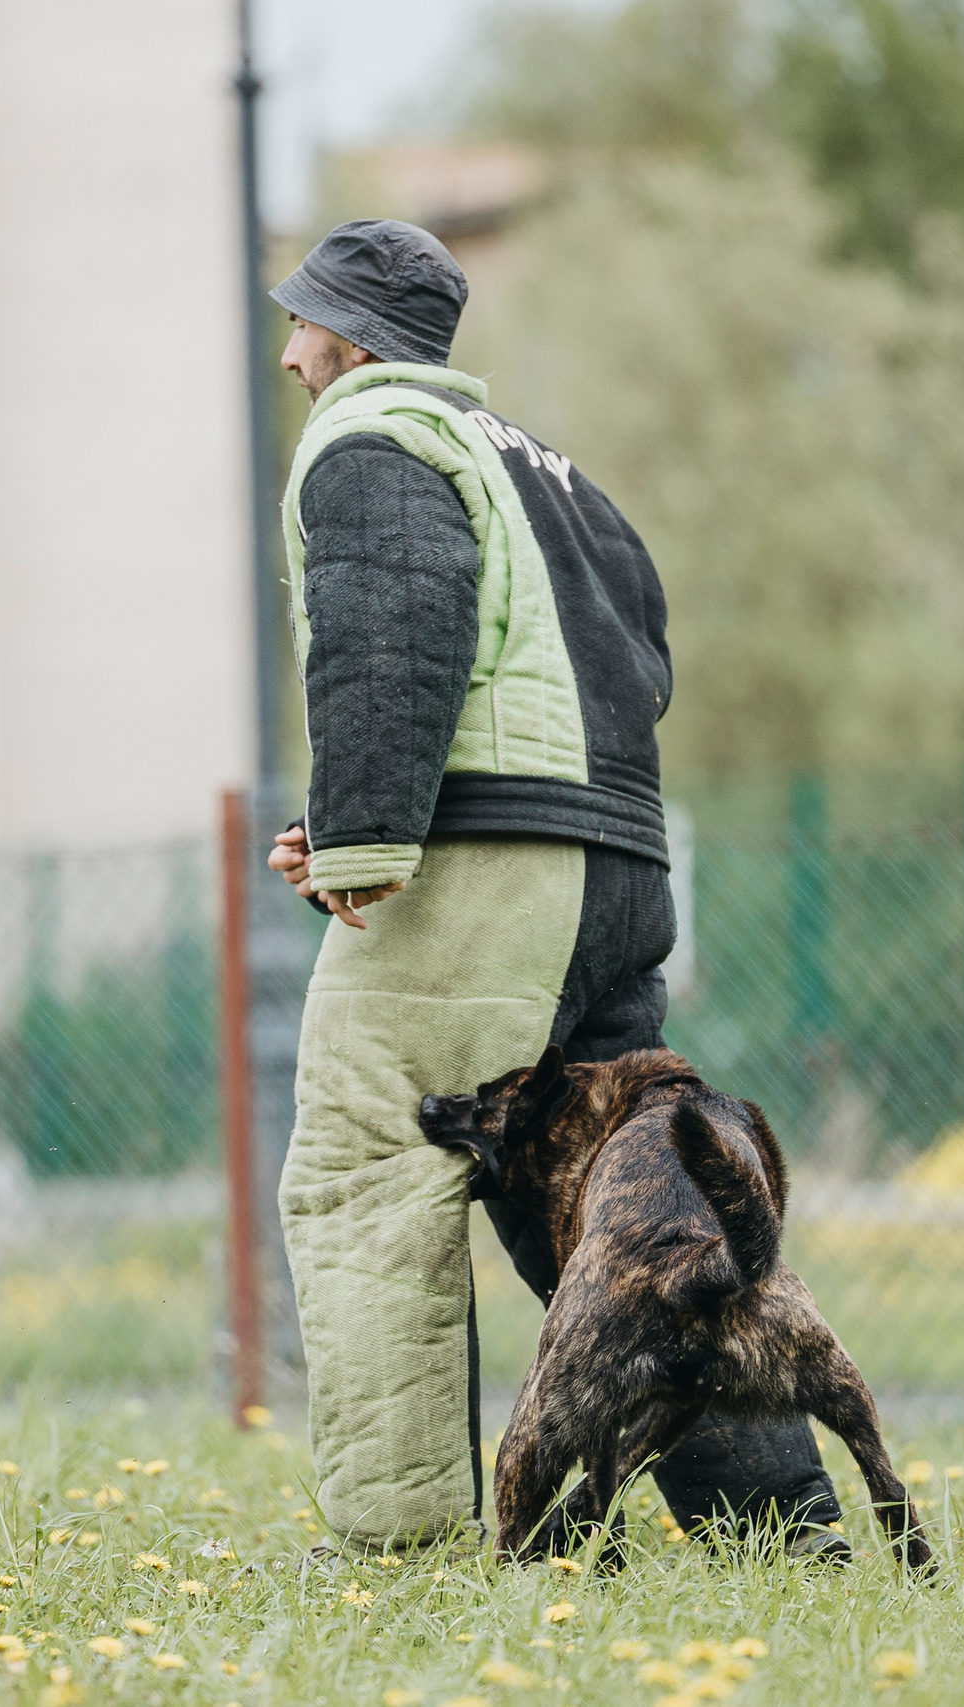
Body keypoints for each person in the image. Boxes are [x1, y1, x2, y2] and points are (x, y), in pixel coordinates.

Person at [263, 217, 848, 1556]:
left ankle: (399, 1543)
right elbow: (596, 677)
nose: (292, 354)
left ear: (351, 334)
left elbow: (390, 635)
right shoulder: (560, 479)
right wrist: (357, 813)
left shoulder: (373, 438)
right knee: (632, 1207)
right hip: (617, 869)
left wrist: (364, 841)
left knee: (368, 1161)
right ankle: (775, 1522)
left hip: (490, 891)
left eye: (303, 323)